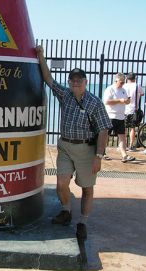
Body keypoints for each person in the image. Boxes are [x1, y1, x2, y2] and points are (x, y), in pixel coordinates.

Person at [35, 45, 112, 240]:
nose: (76, 83)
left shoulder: (95, 103)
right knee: (61, 183)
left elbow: (103, 129)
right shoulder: (65, 95)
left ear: (86, 82)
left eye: (79, 80)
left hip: (87, 150)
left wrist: (99, 156)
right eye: (73, 80)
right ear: (69, 82)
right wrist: (41, 56)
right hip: (66, 146)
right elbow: (48, 79)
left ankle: (83, 222)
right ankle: (66, 211)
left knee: (87, 188)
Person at [103, 73, 136, 163]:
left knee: (122, 136)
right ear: (116, 81)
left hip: (121, 117)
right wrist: (120, 101)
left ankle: (124, 155)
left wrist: (127, 101)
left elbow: (126, 101)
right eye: (121, 82)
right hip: (111, 116)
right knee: (106, 135)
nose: (122, 84)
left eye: (123, 82)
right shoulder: (109, 89)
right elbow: (106, 101)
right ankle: (102, 152)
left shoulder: (123, 90)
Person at [123, 72, 144, 151]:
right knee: (132, 128)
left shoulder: (124, 86)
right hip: (134, 110)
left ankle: (123, 145)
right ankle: (131, 145)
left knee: (124, 129)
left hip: (124, 109)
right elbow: (142, 93)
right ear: (134, 78)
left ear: (127, 79)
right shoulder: (137, 85)